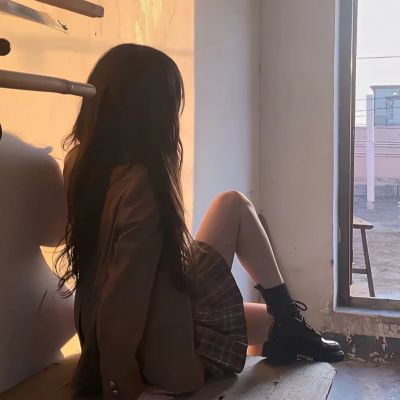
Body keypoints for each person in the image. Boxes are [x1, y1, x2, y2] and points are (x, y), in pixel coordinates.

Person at [57, 44, 344, 400]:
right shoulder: (145, 180)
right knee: (234, 208)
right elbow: (124, 295)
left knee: (270, 317)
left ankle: (289, 322)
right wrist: (122, 387)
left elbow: (113, 279)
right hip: (159, 348)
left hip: (135, 320)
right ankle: (289, 322)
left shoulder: (77, 163)